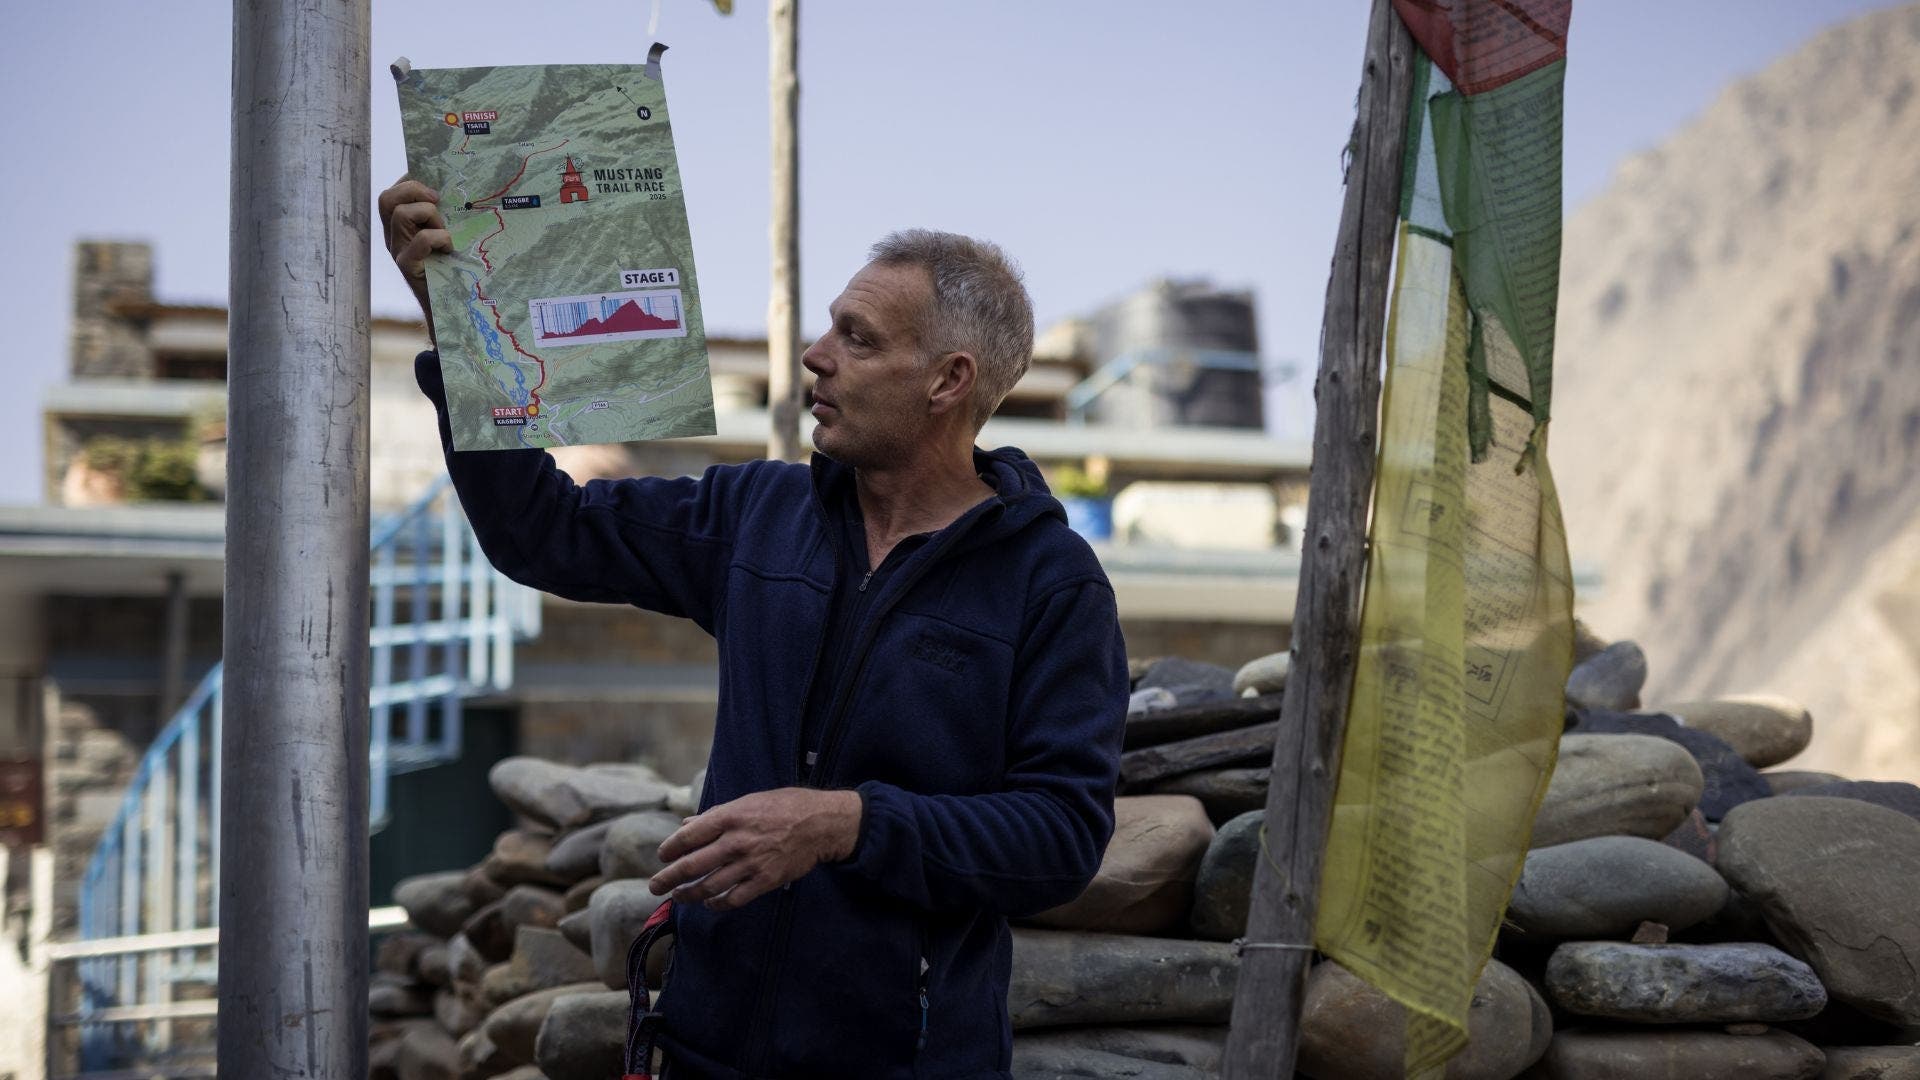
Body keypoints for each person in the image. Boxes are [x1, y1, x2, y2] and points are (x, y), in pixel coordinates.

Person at [379, 178, 1129, 1078]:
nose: (816, 356)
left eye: (857, 338)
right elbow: (545, 532)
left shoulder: (1051, 582)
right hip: (705, 1049)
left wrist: (845, 824)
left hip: (910, 1063)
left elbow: (1061, 838)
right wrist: (463, 331)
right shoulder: (758, 513)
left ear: (948, 381)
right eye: (827, 328)